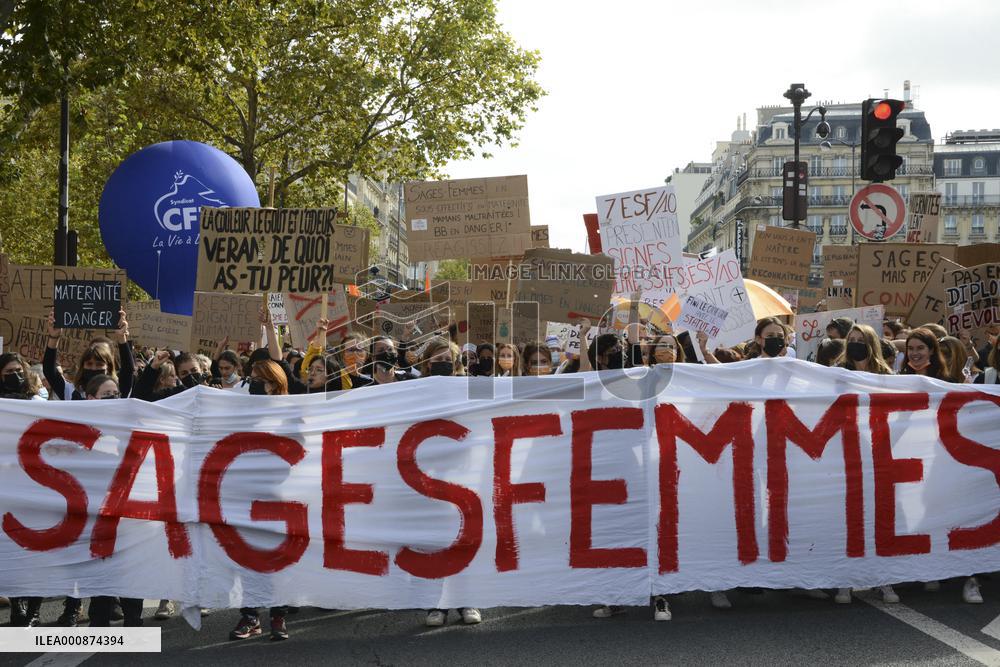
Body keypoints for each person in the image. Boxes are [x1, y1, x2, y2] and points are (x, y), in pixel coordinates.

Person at [231, 358, 293, 640]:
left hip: (281, 498)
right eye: (253, 379)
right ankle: (250, 616)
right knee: (248, 558)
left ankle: (278, 616)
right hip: (245, 497)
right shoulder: (237, 412)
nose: (257, 384)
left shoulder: (291, 413)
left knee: (277, 560)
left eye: (264, 380)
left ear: (276, 384)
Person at [43, 310, 134, 400]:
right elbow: (49, 370)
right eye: (89, 364)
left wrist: (121, 338)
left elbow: (128, 370)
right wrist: (54, 337)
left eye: (99, 364)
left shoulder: (116, 391)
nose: (93, 368)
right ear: (82, 366)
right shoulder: (69, 391)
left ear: (108, 367)